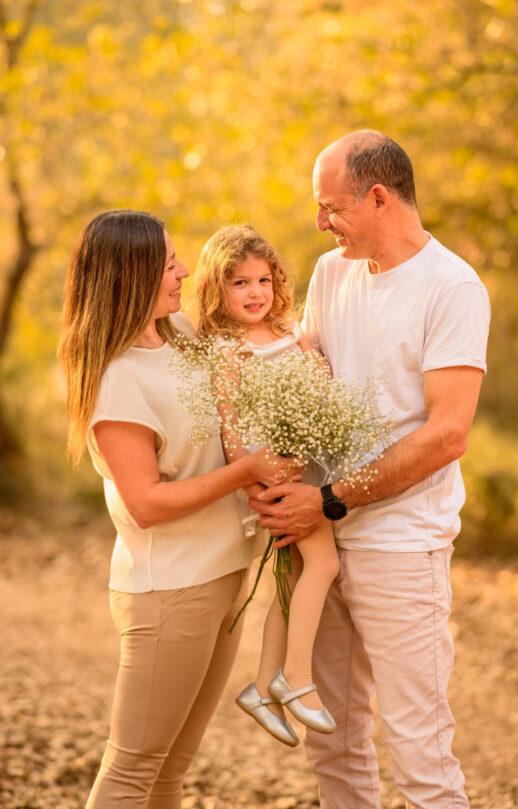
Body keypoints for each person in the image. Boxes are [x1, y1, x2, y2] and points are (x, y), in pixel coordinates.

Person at [249, 131, 491, 809]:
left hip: (401, 544)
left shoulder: (452, 287)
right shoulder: (333, 273)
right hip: (319, 539)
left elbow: (446, 434)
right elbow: (306, 378)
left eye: (331, 207)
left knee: (418, 747)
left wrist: (328, 499)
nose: (320, 223)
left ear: (378, 197)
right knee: (335, 742)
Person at [58, 209, 301, 809]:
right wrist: (246, 471)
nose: (185, 271)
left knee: (171, 771)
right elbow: (145, 504)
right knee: (133, 770)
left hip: (222, 579)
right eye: (169, 263)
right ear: (132, 273)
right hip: (172, 592)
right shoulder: (116, 381)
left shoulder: (184, 337)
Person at [194, 224, 340, 747]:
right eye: (239, 283)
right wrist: (257, 488)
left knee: (292, 580)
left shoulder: (288, 331)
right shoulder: (229, 350)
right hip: (273, 480)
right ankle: (295, 678)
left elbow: (321, 379)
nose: (255, 293)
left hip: (305, 470)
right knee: (325, 564)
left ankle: (260, 687)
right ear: (216, 290)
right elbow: (233, 430)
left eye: (263, 280)